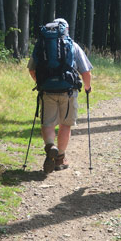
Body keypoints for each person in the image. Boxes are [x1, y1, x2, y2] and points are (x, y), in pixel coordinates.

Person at [28, 18, 92, 174]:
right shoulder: (73, 45)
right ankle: (60, 158)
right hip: (68, 91)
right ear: (66, 29)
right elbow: (86, 72)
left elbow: (31, 69)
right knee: (65, 124)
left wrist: (42, 82)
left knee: (48, 124)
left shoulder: (42, 44)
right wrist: (87, 87)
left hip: (47, 91)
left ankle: (50, 146)